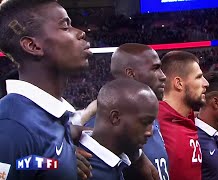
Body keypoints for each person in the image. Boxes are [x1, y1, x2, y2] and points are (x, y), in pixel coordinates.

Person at [0, 0, 92, 179]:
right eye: (65, 27)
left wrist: (57, 162)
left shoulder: (49, 117)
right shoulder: (12, 125)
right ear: (33, 46)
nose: (81, 33)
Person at [84, 43, 169, 180]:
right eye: (155, 68)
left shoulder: (148, 115)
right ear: (130, 74)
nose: (163, 76)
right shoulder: (101, 130)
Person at [79, 79, 158, 180]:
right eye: (145, 122)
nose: (150, 132)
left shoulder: (128, 163)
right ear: (115, 118)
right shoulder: (79, 168)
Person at [158, 51, 208, 180]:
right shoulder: (155, 123)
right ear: (179, 83)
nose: (206, 83)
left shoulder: (187, 118)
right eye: (199, 77)